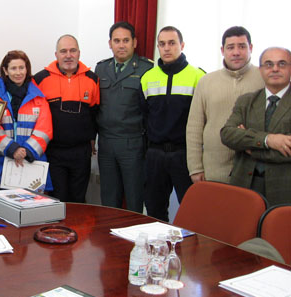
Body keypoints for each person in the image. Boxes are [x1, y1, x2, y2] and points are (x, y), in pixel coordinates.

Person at [140, 26, 205, 221]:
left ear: (182, 45)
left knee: (193, 211)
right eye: (162, 44)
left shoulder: (198, 76)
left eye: (172, 43)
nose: (167, 48)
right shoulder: (147, 78)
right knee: (154, 210)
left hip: (185, 155)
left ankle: (192, 251)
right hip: (155, 155)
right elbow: (144, 117)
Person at [187, 26, 263, 184]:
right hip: (214, 171)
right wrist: (195, 168)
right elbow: (194, 127)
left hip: (253, 171)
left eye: (242, 46)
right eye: (230, 47)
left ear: (251, 48)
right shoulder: (206, 81)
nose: (236, 52)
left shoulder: (264, 78)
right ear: (222, 50)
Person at [221, 47, 291, 205]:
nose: (274, 69)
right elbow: (227, 134)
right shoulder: (246, 101)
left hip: (284, 188)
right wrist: (268, 140)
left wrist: (250, 148)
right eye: (268, 64)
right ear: (260, 70)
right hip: (244, 184)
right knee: (243, 229)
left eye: (281, 64)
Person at [95, 22, 153, 213]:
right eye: (117, 41)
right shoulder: (101, 69)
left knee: (134, 198)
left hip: (133, 143)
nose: (121, 45)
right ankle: (109, 240)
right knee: (109, 199)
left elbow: (150, 111)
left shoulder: (147, 69)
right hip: (106, 143)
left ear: (134, 42)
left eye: (126, 40)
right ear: (110, 44)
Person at [34, 35, 99, 203]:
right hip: (53, 153)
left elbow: (95, 113)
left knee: (78, 200)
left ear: (79, 53)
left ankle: (76, 230)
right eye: (63, 51)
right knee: (57, 200)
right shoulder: (40, 79)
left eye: (73, 50)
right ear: (56, 54)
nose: (68, 55)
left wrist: (92, 140)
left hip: (81, 153)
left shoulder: (92, 79)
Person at [0, 50, 53, 193]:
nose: (18, 72)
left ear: (27, 69)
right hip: (1, 163)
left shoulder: (39, 98)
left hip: (31, 162)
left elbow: (45, 131)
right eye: (13, 68)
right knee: (0, 211)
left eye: (22, 67)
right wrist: (12, 149)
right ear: (5, 71)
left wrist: (26, 151)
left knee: (31, 211)